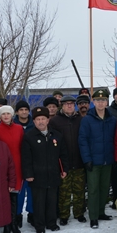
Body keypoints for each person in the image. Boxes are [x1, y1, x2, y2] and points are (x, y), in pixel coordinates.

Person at [21, 107, 68, 233]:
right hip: (37, 176)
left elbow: (63, 154)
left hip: (53, 174)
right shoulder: (29, 136)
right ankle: (39, 226)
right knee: (39, 202)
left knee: (52, 201)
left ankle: (51, 223)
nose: (41, 122)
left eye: (43, 119)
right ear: (34, 121)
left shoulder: (56, 135)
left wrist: (64, 170)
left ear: (48, 120)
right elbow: (26, 158)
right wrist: (28, 174)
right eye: (38, 119)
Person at [79, 90, 117, 229]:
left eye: (103, 100)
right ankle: (93, 216)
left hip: (108, 160)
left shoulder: (112, 119)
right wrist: (87, 159)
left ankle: (101, 212)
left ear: (107, 102)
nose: (100, 103)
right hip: (93, 161)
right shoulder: (87, 120)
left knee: (104, 188)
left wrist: (114, 158)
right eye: (97, 100)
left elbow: (115, 140)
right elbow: (83, 140)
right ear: (93, 102)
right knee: (94, 189)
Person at [49, 95, 86, 225]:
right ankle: (64, 215)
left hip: (79, 161)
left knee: (79, 190)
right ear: (62, 106)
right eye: (66, 104)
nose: (69, 106)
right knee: (64, 192)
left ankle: (79, 213)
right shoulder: (55, 121)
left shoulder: (81, 120)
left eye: (71, 103)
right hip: (63, 162)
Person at [0, 105, 25, 233]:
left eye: (8, 113)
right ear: (0, 116)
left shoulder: (19, 128)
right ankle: (6, 224)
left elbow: (23, 146)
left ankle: (14, 223)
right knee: (4, 197)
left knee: (14, 196)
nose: (6, 116)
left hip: (18, 165)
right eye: (3, 114)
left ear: (12, 115)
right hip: (3, 166)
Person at [13, 100, 35, 228]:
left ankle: (31, 213)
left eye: (26, 110)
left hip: (32, 162)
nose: (24, 112)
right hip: (17, 162)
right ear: (17, 112)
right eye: (21, 110)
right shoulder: (13, 124)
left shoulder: (34, 124)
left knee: (31, 190)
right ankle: (17, 215)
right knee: (19, 191)